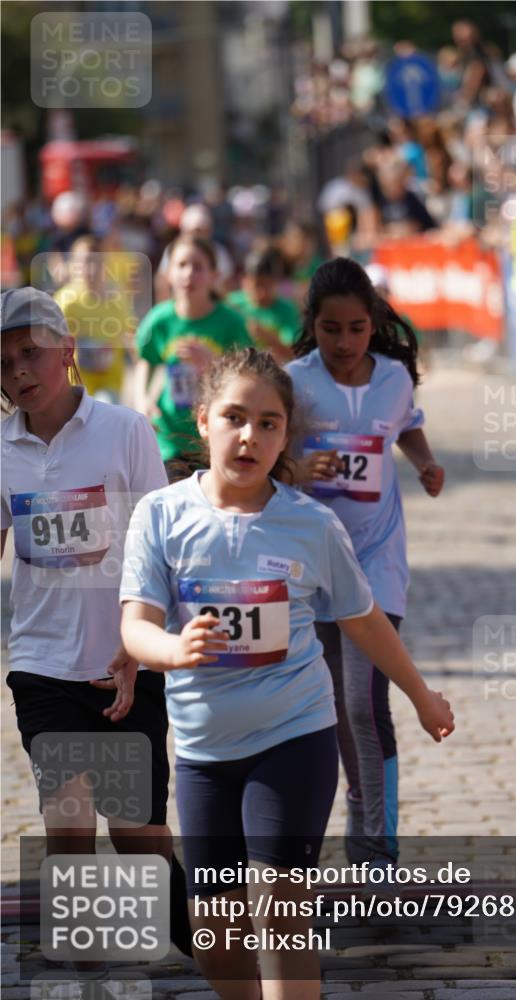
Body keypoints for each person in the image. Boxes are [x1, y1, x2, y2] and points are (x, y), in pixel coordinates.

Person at [119, 348, 454, 1000]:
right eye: (235, 417)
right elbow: (134, 625)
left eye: (269, 423)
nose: (250, 436)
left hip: (293, 738)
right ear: (204, 419)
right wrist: (170, 648)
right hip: (203, 754)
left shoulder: (310, 524)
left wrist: (419, 695)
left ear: (285, 435)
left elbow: (362, 620)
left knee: (279, 913)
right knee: (216, 944)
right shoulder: (160, 515)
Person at [0, 287, 191, 970]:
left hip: (122, 659)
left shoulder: (125, 430)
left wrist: (140, 645)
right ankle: (83, 967)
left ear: (68, 351)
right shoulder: (1, 449)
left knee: (138, 831)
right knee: (70, 821)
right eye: (6, 362)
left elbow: (160, 545)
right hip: (41, 663)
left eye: (32, 353)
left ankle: (195, 939)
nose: (20, 370)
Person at [286, 259, 445, 874]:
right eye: (331, 329)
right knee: (329, 707)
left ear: (374, 323)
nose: (345, 343)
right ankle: (359, 798)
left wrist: (425, 463)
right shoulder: (293, 382)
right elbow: (270, 458)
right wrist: (299, 472)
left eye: (356, 328)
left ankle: (376, 845)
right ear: (313, 326)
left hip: (378, 561)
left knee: (363, 702)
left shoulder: (396, 377)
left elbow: (406, 426)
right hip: (310, 565)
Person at [134, 234, 252, 476]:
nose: (188, 274)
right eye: (181, 265)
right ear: (168, 274)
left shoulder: (231, 322)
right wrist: (142, 401)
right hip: (170, 439)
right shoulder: (160, 320)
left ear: (214, 275)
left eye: (198, 267)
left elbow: (250, 377)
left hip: (216, 436)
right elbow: (146, 362)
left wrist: (214, 364)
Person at [54, 235, 135, 404]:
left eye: (95, 262)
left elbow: (130, 336)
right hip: (74, 384)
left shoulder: (118, 299)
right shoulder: (65, 301)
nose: (89, 268)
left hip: (110, 380)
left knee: (105, 409)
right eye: (83, 262)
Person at [226, 250, 300, 365]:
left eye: (268, 285)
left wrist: (269, 338)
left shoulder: (286, 310)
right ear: (244, 280)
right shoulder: (232, 304)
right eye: (257, 285)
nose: (262, 292)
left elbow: (295, 354)